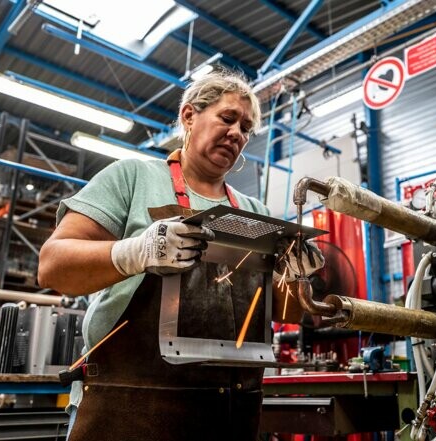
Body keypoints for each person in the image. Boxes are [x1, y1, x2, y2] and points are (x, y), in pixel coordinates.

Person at [38, 72, 324, 441]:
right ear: (189, 116)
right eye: (227, 118)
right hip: (129, 404)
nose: (237, 133)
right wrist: (136, 251)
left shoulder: (254, 211)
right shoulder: (134, 177)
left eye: (247, 128)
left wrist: (296, 277)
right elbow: (52, 267)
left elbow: (286, 312)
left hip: (230, 411)